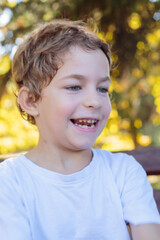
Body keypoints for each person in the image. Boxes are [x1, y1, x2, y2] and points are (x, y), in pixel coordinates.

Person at [0, 20, 160, 240]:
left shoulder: (124, 173)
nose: (94, 100)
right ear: (31, 100)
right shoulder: (10, 181)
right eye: (74, 87)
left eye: (103, 89)